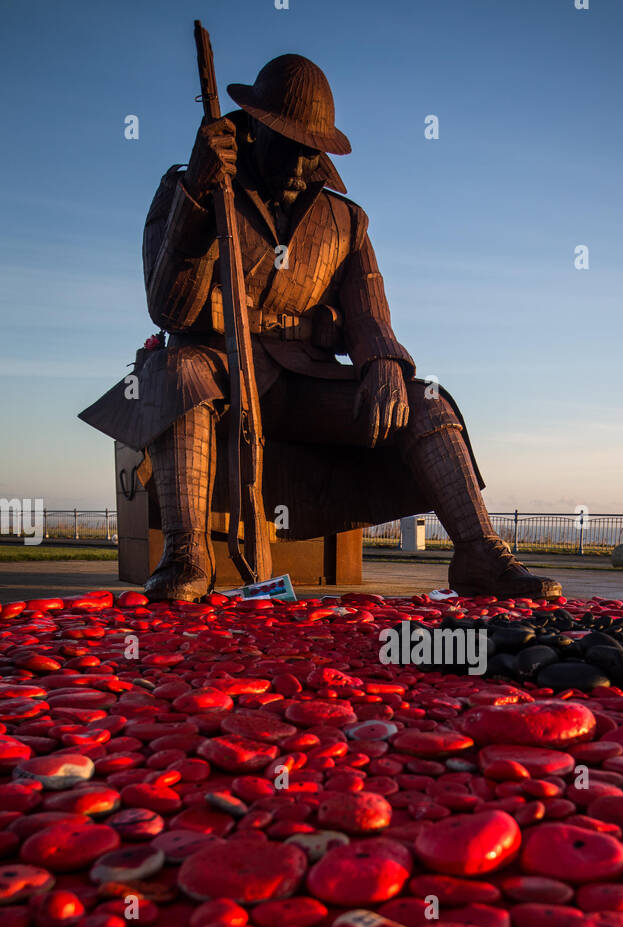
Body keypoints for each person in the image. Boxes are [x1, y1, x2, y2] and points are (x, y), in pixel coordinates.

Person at [80, 54, 560, 602]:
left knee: (425, 399)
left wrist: (383, 363)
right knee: (175, 370)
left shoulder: (345, 221)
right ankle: (188, 554)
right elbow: (168, 309)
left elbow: (370, 317)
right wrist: (196, 199)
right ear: (254, 127)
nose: (300, 163)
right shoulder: (193, 187)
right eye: (287, 143)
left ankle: (479, 553)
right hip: (218, 369)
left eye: (311, 150)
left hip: (302, 383)